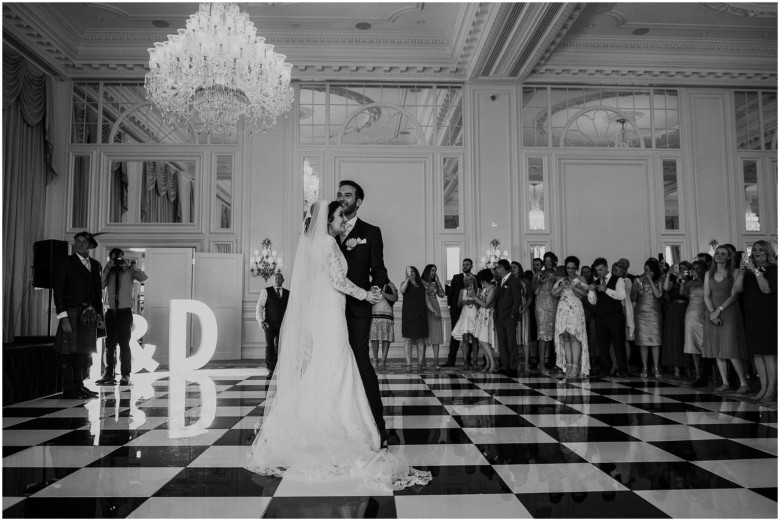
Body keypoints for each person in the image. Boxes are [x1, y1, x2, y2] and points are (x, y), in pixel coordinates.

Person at [247, 200, 431, 491]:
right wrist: (365, 295)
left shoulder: (314, 244)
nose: (343, 221)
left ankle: (312, 421)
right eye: (339, 217)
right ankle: (340, 427)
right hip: (332, 308)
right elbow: (337, 280)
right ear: (328, 220)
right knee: (337, 361)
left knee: (327, 361)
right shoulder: (329, 244)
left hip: (323, 309)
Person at [336, 180, 388, 445]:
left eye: (348, 195)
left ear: (358, 201)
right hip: (330, 308)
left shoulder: (371, 231)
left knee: (359, 360)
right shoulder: (327, 231)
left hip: (358, 307)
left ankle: (377, 425)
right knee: (333, 362)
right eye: (339, 194)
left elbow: (378, 268)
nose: (342, 198)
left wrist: (376, 288)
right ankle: (336, 423)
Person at [53, 231, 103, 399]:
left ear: (90, 245)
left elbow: (97, 292)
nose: (80, 244)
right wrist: (63, 316)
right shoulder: (66, 262)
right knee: (68, 352)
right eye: (77, 242)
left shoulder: (95, 265)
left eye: (83, 242)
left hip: (89, 313)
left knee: (83, 351)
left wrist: (98, 315)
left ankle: (79, 385)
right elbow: (58, 290)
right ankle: (68, 389)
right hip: (72, 311)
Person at [96, 248, 148, 386]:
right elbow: (99, 285)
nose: (116, 261)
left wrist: (131, 266)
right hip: (111, 312)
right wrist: (107, 268)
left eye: (118, 258)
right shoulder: (109, 271)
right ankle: (109, 374)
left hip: (125, 313)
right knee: (109, 345)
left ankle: (125, 375)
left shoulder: (130, 270)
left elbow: (143, 278)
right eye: (113, 258)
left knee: (124, 345)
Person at [733, 240, 777, 403]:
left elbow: (766, 289)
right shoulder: (749, 272)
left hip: (768, 315)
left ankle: (772, 389)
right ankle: (763, 387)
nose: (757, 252)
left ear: (768, 253)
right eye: (755, 250)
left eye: (761, 250)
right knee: (757, 353)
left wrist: (756, 271)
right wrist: (744, 272)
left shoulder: (774, 270)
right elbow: (737, 289)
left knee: (769, 354)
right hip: (752, 315)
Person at [702, 245, 749, 393]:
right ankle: (725, 382)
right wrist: (712, 313)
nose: (719, 256)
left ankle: (744, 383)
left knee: (730, 348)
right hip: (712, 312)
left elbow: (735, 295)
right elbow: (706, 295)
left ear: (729, 257)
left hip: (729, 311)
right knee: (717, 349)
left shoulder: (734, 272)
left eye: (723, 254)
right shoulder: (708, 274)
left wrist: (719, 310)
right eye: (717, 253)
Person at [588, 257, 629, 379]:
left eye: (601, 269)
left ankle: (623, 370)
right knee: (603, 345)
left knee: (618, 344)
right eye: (597, 270)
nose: (599, 272)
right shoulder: (596, 282)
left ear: (606, 267)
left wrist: (606, 290)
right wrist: (591, 292)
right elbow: (593, 301)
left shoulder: (618, 280)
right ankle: (604, 369)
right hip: (600, 317)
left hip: (615, 316)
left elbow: (622, 295)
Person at [551, 256, 590, 379]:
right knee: (565, 336)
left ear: (577, 268)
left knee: (574, 336)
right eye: (568, 268)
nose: (570, 270)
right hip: (563, 308)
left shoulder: (581, 278)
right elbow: (554, 293)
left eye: (573, 268)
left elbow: (584, 294)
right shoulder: (562, 279)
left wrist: (573, 286)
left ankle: (575, 365)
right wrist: (563, 285)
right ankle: (568, 364)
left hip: (575, 309)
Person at [633, 258, 664, 379]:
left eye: (650, 271)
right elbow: (633, 299)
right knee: (643, 342)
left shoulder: (659, 280)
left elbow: (658, 295)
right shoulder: (637, 281)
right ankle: (645, 366)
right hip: (641, 315)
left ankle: (656, 367)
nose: (647, 273)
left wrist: (651, 280)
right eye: (646, 270)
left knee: (655, 342)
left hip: (655, 314)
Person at [255, 272, 289, 377]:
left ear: (283, 280)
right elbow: (260, 306)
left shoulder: (288, 293)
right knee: (269, 345)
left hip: (283, 324)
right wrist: (260, 320)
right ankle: (270, 368)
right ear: (273, 280)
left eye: (279, 278)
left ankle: (280, 366)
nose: (277, 279)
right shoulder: (266, 291)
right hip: (269, 324)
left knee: (280, 346)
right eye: (275, 278)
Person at [662, 261, 692, 380]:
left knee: (684, 338)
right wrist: (669, 274)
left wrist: (683, 280)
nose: (681, 270)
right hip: (673, 309)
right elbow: (665, 288)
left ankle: (688, 367)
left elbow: (683, 293)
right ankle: (676, 368)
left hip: (685, 308)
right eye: (680, 268)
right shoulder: (673, 279)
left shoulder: (690, 280)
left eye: (684, 268)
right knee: (674, 338)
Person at [494, 259, 523, 375]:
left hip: (509, 317)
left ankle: (513, 366)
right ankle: (505, 365)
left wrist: (512, 314)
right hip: (499, 316)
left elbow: (517, 299)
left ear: (504, 267)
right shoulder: (500, 280)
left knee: (511, 342)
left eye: (498, 267)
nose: (496, 270)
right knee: (502, 342)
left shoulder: (514, 281)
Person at [443, 258, 473, 367]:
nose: (465, 266)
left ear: (471, 266)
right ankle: (451, 360)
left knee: (469, 334)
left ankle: (468, 360)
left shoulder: (475, 278)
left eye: (467, 264)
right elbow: (450, 293)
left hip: (470, 311)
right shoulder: (456, 277)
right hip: (456, 310)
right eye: (463, 264)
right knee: (454, 334)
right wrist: (450, 306)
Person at [534, 252, 560, 374]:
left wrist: (555, 280)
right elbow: (532, 289)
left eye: (550, 260)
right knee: (543, 334)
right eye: (546, 260)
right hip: (541, 305)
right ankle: (541, 363)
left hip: (554, 304)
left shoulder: (558, 273)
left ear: (554, 261)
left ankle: (556, 362)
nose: (548, 263)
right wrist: (539, 281)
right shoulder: (539, 273)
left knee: (555, 334)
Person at [683, 260, 707, 382]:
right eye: (694, 268)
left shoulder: (707, 280)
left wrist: (699, 279)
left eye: (698, 268)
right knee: (692, 342)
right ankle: (698, 373)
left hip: (704, 313)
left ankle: (709, 372)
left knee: (704, 343)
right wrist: (682, 280)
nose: (695, 271)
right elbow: (683, 293)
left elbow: (708, 292)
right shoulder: (690, 283)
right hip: (691, 313)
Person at [400, 266, 428, 372]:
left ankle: (420, 364)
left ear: (416, 273)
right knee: (408, 339)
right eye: (408, 272)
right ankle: (409, 365)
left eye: (412, 271)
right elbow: (402, 291)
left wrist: (434, 311)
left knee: (421, 340)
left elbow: (426, 301)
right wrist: (407, 280)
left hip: (421, 315)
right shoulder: (404, 284)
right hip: (408, 315)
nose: (411, 273)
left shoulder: (422, 285)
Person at [450, 273, 479, 370]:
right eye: (467, 280)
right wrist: (464, 302)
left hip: (474, 315)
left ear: (473, 280)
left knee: (475, 340)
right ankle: (465, 362)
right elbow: (458, 304)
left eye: (470, 279)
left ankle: (475, 362)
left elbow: (482, 304)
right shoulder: (462, 291)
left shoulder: (478, 290)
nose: (468, 281)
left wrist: (474, 300)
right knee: (465, 339)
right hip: (465, 315)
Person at [472, 268, 498, 373]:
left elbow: (487, 304)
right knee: (481, 340)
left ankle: (493, 363)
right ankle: (488, 363)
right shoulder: (483, 289)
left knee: (484, 340)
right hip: (481, 315)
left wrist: (475, 298)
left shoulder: (493, 289)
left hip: (488, 315)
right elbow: (481, 303)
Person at [370, 279, 398, 372]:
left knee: (386, 338)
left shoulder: (390, 284)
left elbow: (395, 298)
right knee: (374, 338)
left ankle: (383, 361)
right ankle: (375, 360)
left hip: (387, 314)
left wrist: (383, 293)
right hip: (374, 313)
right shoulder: (370, 283)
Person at [421, 264, 446, 369]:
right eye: (432, 270)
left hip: (435, 306)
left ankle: (436, 361)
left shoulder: (435, 283)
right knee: (424, 335)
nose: (434, 272)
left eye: (435, 270)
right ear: (427, 271)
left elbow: (442, 294)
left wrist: (438, 281)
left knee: (436, 334)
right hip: (425, 307)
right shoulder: (421, 281)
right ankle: (422, 361)